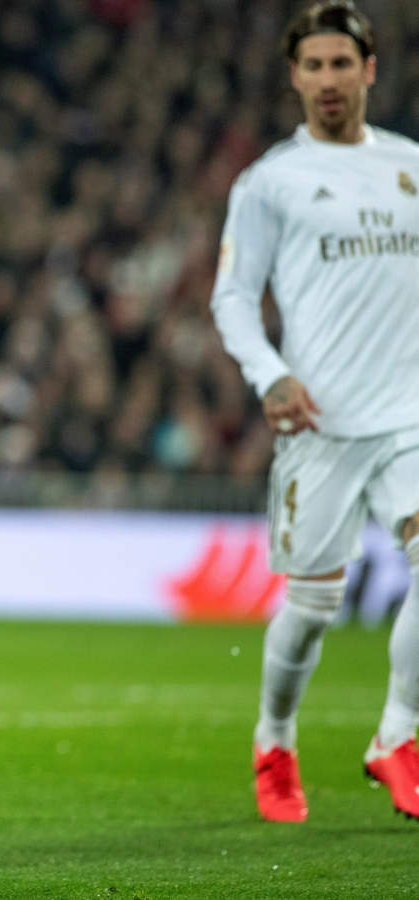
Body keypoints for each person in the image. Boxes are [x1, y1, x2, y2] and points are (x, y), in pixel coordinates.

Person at [210, 0, 419, 822]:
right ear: (294, 77)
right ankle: (276, 738)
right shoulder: (269, 182)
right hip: (319, 424)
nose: (329, 80)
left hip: (409, 417)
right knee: (310, 611)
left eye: (343, 64)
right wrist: (269, 375)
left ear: (369, 70)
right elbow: (231, 295)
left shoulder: (412, 166)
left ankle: (397, 735)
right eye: (314, 66)